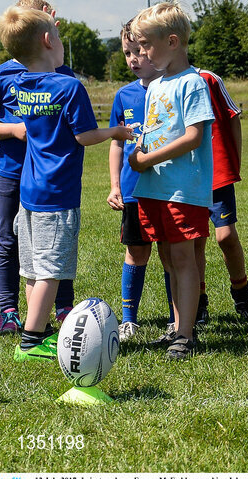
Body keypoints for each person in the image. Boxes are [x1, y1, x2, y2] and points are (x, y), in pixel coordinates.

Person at [0, 6, 133, 361]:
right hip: (57, 193)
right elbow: (85, 136)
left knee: (32, 268)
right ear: (47, 40)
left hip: (29, 190)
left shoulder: (19, 83)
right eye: (55, 34)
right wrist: (117, 131)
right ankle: (31, 340)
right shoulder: (68, 86)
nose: (59, 40)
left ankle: (34, 329)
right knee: (52, 270)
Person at [0, 0, 77, 333]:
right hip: (13, 172)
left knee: (51, 244)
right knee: (10, 240)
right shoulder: (0, 75)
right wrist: (14, 129)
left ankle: (62, 307)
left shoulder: (62, 74)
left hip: (49, 177)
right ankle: (8, 310)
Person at [128, 2, 215, 361]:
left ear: (173, 41)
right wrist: (137, 151)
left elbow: (194, 135)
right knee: (167, 257)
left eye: (147, 45)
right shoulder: (155, 86)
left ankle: (186, 334)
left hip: (183, 189)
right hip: (153, 188)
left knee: (183, 259)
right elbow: (153, 133)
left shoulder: (192, 83)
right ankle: (177, 328)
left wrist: (148, 159)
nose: (142, 53)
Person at [190, 66, 248, 324]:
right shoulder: (163, 83)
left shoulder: (208, 78)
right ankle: (199, 305)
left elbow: (233, 116)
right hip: (186, 176)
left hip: (216, 173)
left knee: (226, 237)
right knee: (195, 241)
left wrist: (234, 161)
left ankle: (242, 298)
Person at [107, 20, 166, 342]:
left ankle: (178, 318)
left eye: (139, 52)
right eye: (127, 53)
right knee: (137, 252)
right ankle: (129, 319)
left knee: (173, 254)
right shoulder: (124, 95)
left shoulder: (172, 87)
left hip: (170, 188)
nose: (132, 59)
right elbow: (117, 142)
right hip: (133, 191)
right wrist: (115, 185)